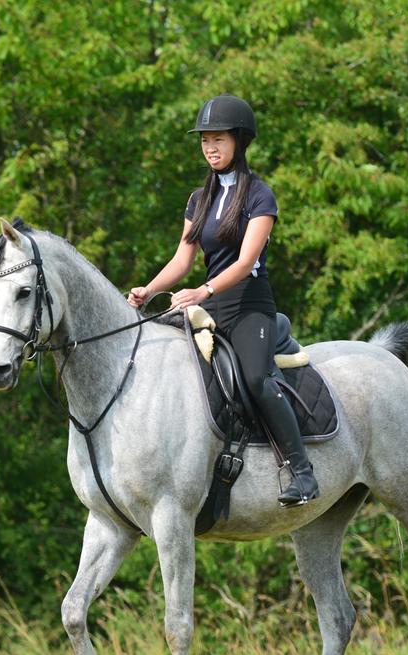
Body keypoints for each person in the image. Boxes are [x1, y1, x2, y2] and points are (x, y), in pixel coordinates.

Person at [127, 94, 319, 507]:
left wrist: (204, 290)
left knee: (255, 380)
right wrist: (151, 289)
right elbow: (183, 258)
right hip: (211, 304)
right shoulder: (199, 200)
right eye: (204, 141)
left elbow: (247, 260)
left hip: (250, 306)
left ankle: (301, 471)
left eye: (218, 139)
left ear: (239, 140)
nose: (210, 148)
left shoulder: (259, 196)